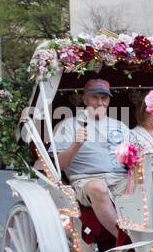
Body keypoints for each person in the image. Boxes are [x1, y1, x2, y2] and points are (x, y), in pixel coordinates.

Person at [52, 77, 130, 237]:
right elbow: (58, 165)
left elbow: (134, 159)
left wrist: (134, 179)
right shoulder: (68, 125)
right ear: (85, 98)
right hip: (86, 179)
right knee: (98, 187)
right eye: (95, 97)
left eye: (104, 98)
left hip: (120, 178)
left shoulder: (120, 126)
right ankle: (125, 242)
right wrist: (76, 145)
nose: (100, 103)